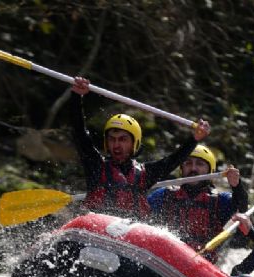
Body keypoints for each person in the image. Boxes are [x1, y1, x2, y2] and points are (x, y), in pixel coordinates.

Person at [70, 76, 211, 219]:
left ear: (134, 143)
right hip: (96, 226)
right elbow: (79, 132)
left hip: (129, 231)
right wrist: (76, 96)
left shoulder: (145, 174)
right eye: (112, 139)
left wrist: (194, 139)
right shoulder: (95, 165)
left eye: (123, 139)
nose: (116, 145)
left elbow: (173, 160)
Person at [147, 145, 248, 259]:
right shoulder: (164, 194)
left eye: (200, 164)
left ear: (210, 170)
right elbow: (140, 213)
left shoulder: (220, 201)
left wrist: (237, 186)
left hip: (199, 261)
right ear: (181, 169)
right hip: (165, 257)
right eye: (188, 163)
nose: (193, 169)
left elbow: (242, 208)